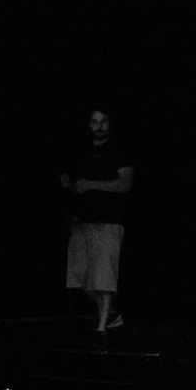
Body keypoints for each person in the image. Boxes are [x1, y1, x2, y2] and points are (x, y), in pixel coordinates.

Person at [61, 108, 134, 332]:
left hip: (108, 221)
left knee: (103, 277)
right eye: (94, 122)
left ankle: (101, 328)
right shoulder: (83, 152)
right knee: (80, 276)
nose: (99, 126)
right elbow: (73, 182)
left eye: (103, 121)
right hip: (83, 221)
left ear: (109, 124)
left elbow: (125, 184)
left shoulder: (118, 151)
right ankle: (112, 315)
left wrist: (91, 184)